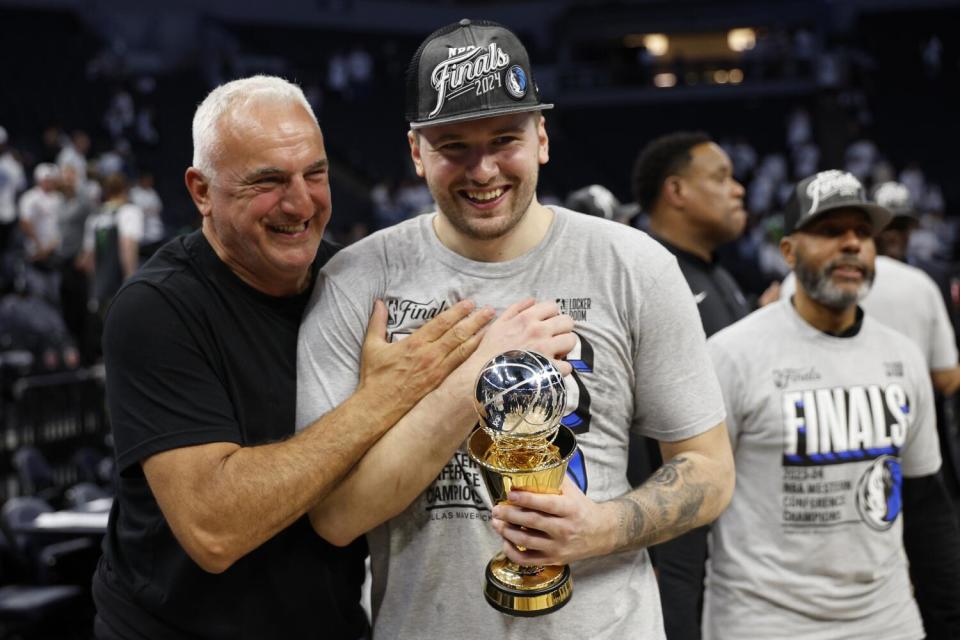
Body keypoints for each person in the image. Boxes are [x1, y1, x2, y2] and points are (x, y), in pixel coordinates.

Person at [296, 19, 735, 640]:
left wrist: (602, 527)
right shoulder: (358, 281)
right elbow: (335, 518)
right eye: (453, 146)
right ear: (416, 151)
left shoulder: (633, 266)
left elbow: (709, 469)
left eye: (505, 139)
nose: (482, 171)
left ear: (542, 139)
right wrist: (473, 382)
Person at [90, 75, 502, 640]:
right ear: (200, 190)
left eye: (316, 173)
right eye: (268, 181)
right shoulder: (156, 310)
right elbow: (214, 528)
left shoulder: (354, 283)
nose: (301, 202)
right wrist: (383, 398)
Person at [703, 169, 960, 639]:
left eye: (863, 233)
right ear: (788, 251)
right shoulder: (732, 354)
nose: (852, 244)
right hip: (764, 622)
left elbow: (927, 508)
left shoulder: (902, 356)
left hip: (886, 620)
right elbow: (695, 506)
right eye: (829, 231)